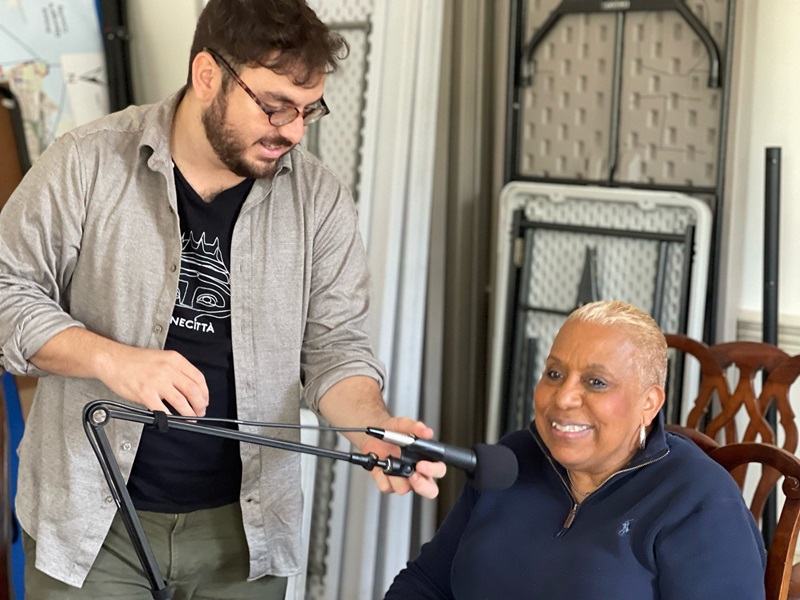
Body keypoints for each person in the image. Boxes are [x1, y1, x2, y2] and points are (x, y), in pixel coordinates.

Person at [0, 0, 445, 597]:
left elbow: (335, 348)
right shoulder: (87, 162)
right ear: (207, 75)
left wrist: (373, 425)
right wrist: (114, 360)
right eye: (275, 106)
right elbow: (7, 289)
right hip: (91, 522)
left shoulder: (319, 200)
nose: (293, 131)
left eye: (309, 111)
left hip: (244, 533)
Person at [385, 300, 767, 599]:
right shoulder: (511, 459)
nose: (564, 397)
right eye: (554, 373)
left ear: (649, 404)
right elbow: (426, 584)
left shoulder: (699, 501)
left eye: (596, 382)